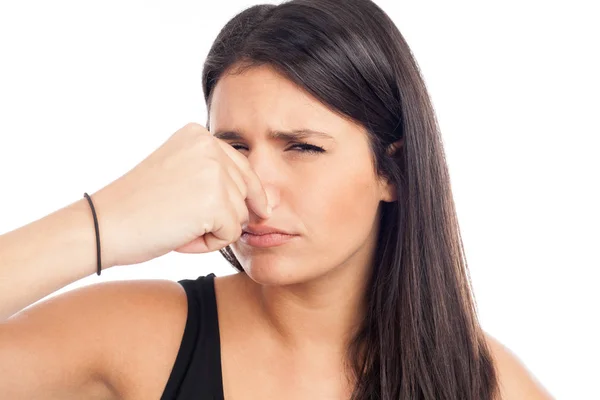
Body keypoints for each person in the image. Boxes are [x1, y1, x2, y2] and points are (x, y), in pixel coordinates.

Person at [0, 0, 553, 399]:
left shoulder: (488, 386)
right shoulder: (136, 335)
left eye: (303, 148)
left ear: (395, 171)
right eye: (233, 147)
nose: (256, 193)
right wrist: (105, 224)